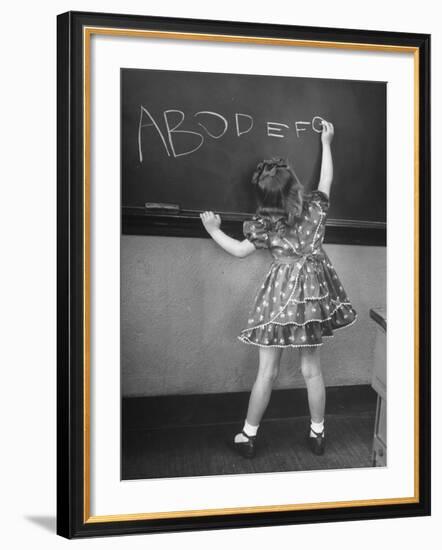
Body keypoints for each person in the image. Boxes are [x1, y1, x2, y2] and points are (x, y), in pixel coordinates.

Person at [200, 120, 357, 458]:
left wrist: (214, 230)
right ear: (296, 186)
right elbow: (327, 180)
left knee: (266, 372)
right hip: (312, 298)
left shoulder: (266, 225)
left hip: (279, 298)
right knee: (311, 370)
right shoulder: (315, 208)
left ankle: (248, 435)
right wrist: (327, 143)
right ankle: (318, 433)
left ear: (264, 199)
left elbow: (241, 251)